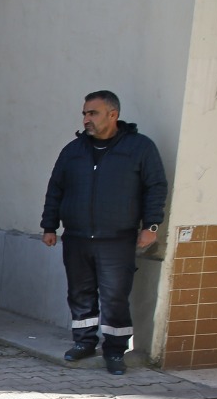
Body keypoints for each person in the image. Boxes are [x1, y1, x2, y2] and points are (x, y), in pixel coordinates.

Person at [41, 90, 168, 376]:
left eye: (92, 113)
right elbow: (56, 188)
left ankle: (114, 350)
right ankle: (84, 342)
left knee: (114, 296)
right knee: (80, 294)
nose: (86, 119)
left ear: (113, 114)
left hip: (117, 238)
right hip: (77, 237)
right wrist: (49, 226)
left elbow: (155, 187)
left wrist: (151, 226)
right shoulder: (74, 150)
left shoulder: (139, 148)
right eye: (84, 113)